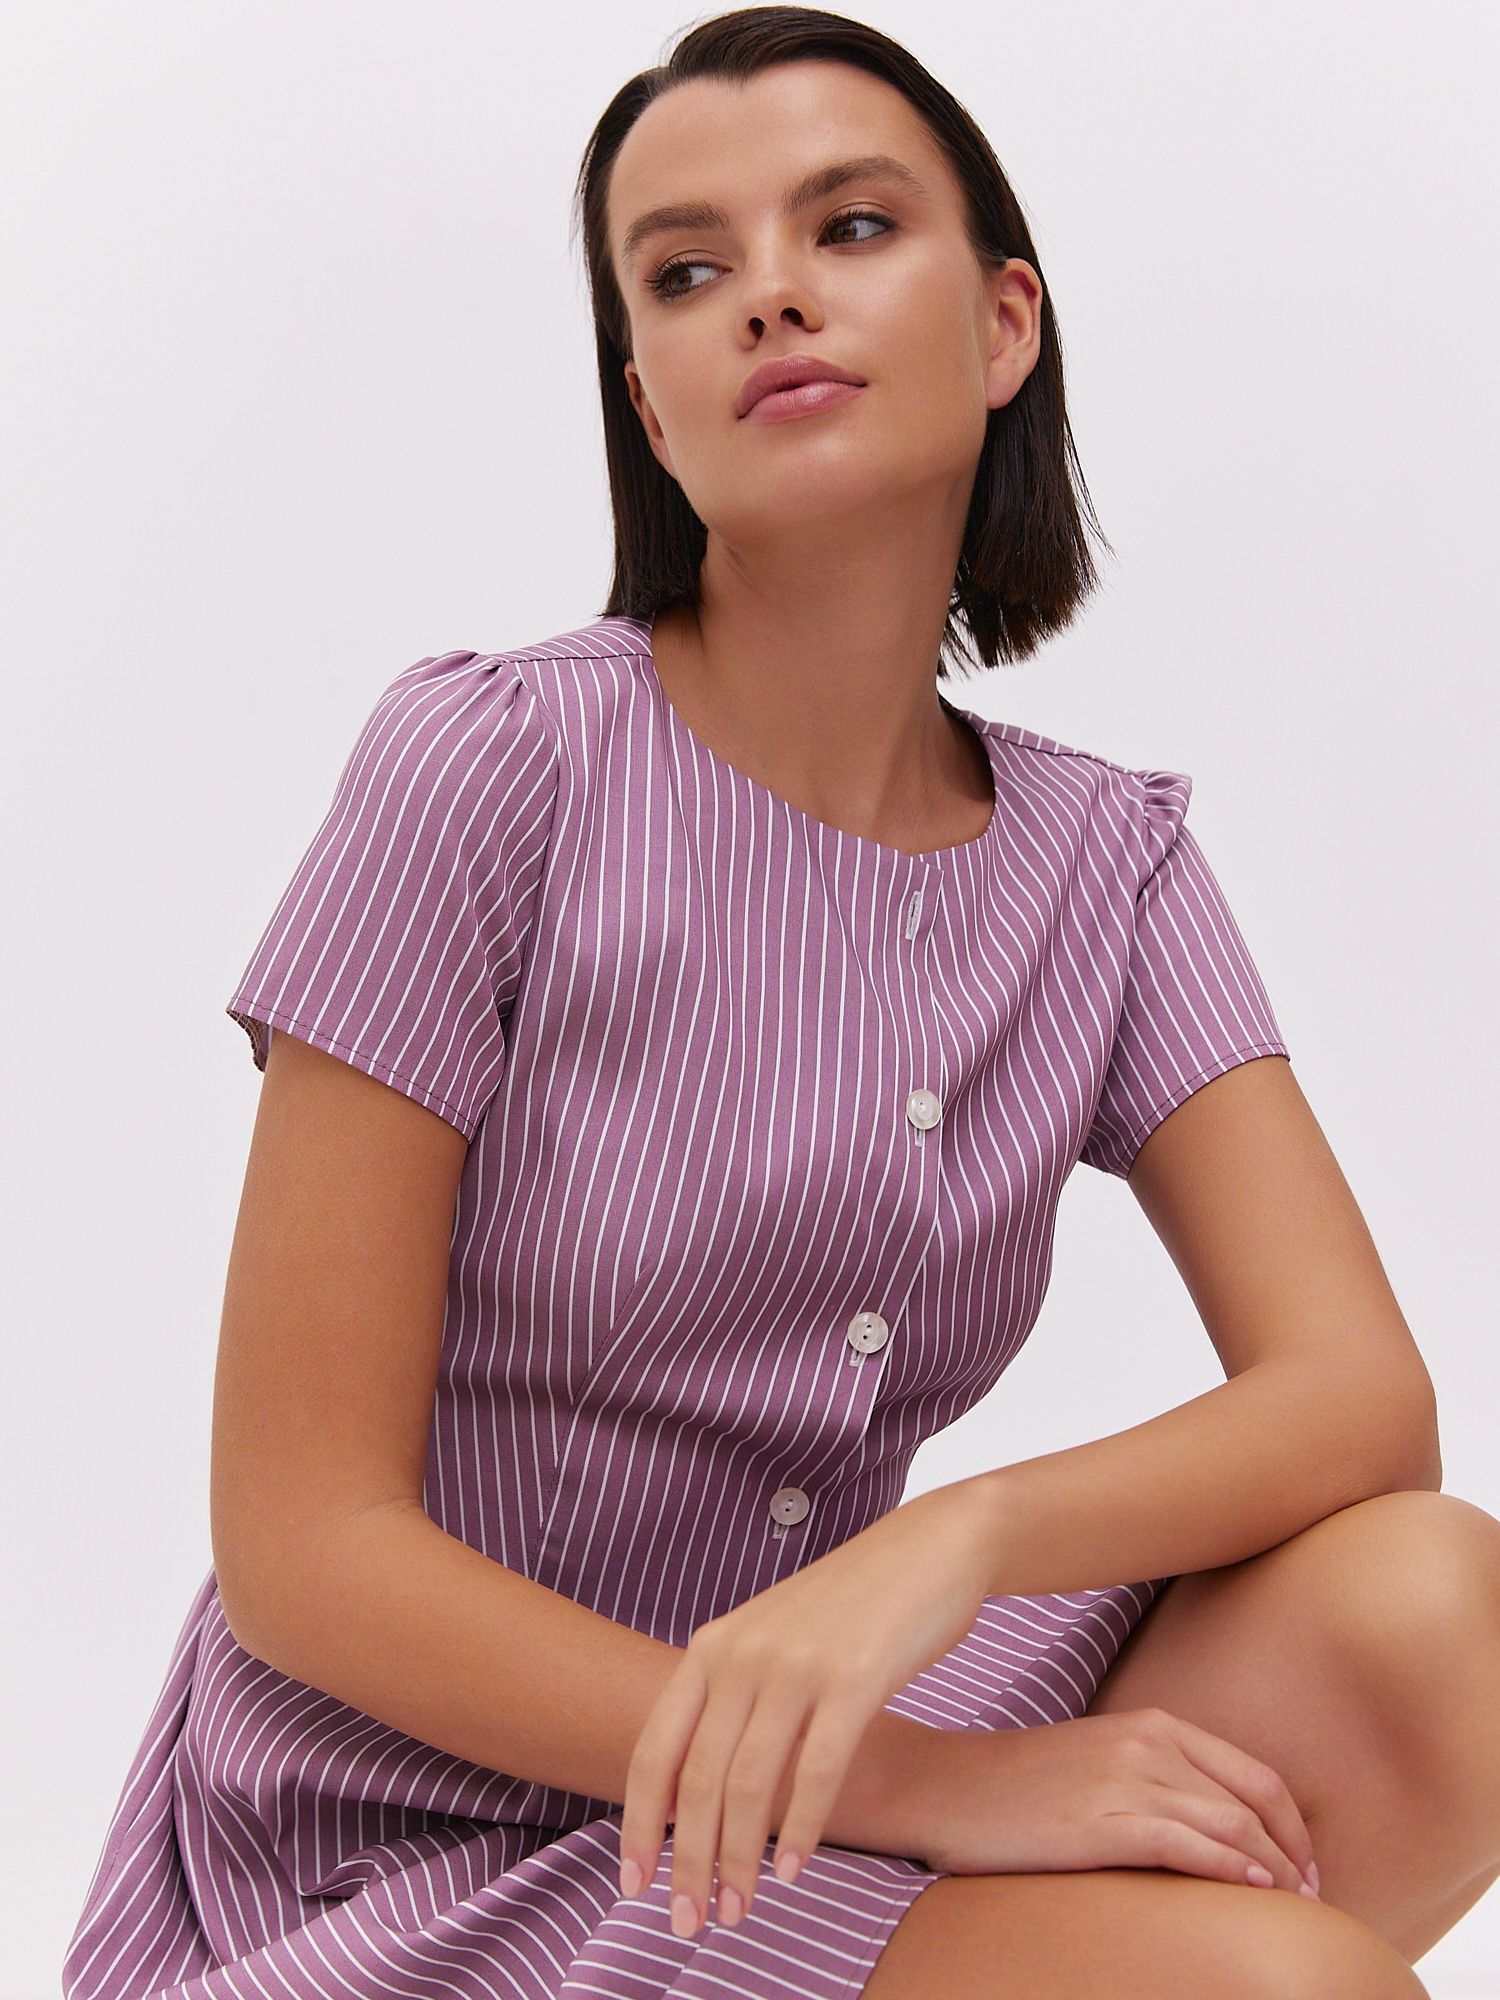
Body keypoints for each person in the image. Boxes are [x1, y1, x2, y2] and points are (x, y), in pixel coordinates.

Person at [62, 10, 1497, 2000]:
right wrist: (926, 1783)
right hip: (409, 1845)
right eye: (684, 273)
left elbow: (1361, 1403)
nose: (770, 296)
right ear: (651, 408)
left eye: (851, 225)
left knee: (1439, 1613)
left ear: (1005, 325)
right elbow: (303, 1548)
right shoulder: (490, 768)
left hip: (801, 1756)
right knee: (1295, 1986)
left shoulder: (1105, 863)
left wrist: (956, 1538)